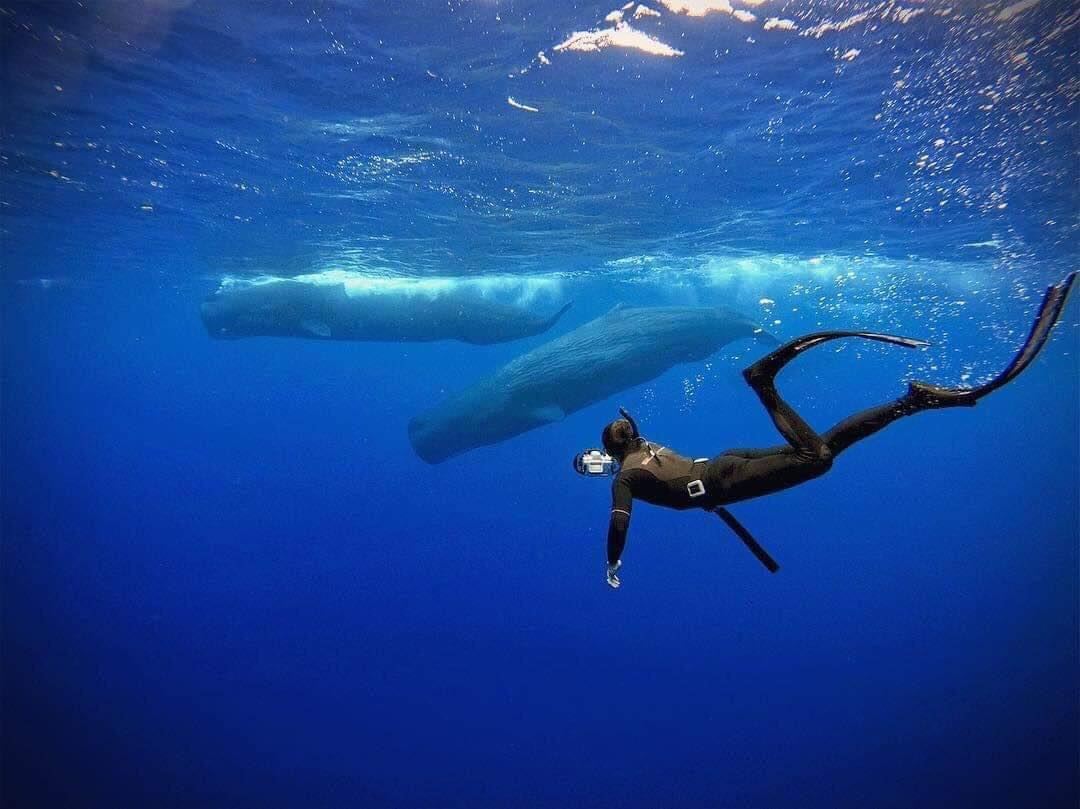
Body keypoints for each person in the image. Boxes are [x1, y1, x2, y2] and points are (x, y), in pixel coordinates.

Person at [573, 272, 1076, 589]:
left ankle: (764, 383)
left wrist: (611, 565)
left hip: (726, 481)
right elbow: (646, 457)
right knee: (824, 447)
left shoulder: (625, 477)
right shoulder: (642, 447)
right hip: (723, 464)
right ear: (631, 433)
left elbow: (619, 524)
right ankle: (914, 402)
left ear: (608, 457)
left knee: (818, 458)